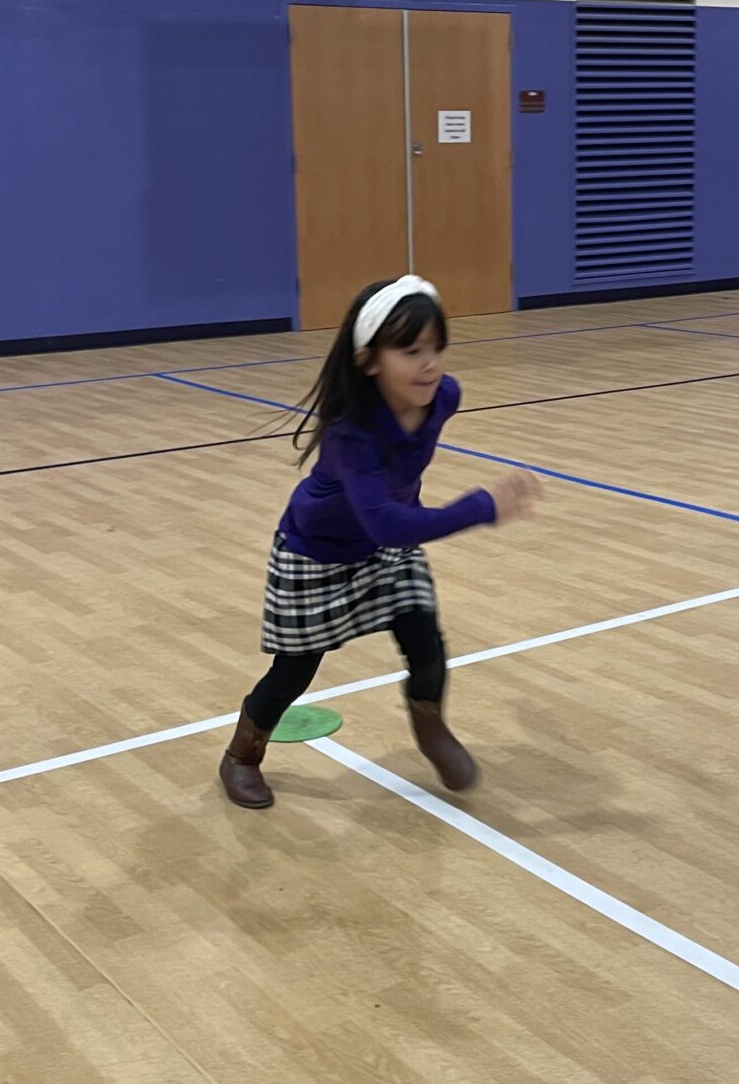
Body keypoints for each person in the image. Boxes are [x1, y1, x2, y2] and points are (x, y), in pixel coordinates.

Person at [219, 275, 540, 808]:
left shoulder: (445, 397)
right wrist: (481, 507)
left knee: (426, 640)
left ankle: (430, 726)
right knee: (293, 671)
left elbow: (390, 527)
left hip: (385, 547)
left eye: (437, 348)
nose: (430, 363)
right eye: (411, 351)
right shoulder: (351, 435)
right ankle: (241, 755)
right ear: (369, 362)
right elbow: (387, 524)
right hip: (314, 554)